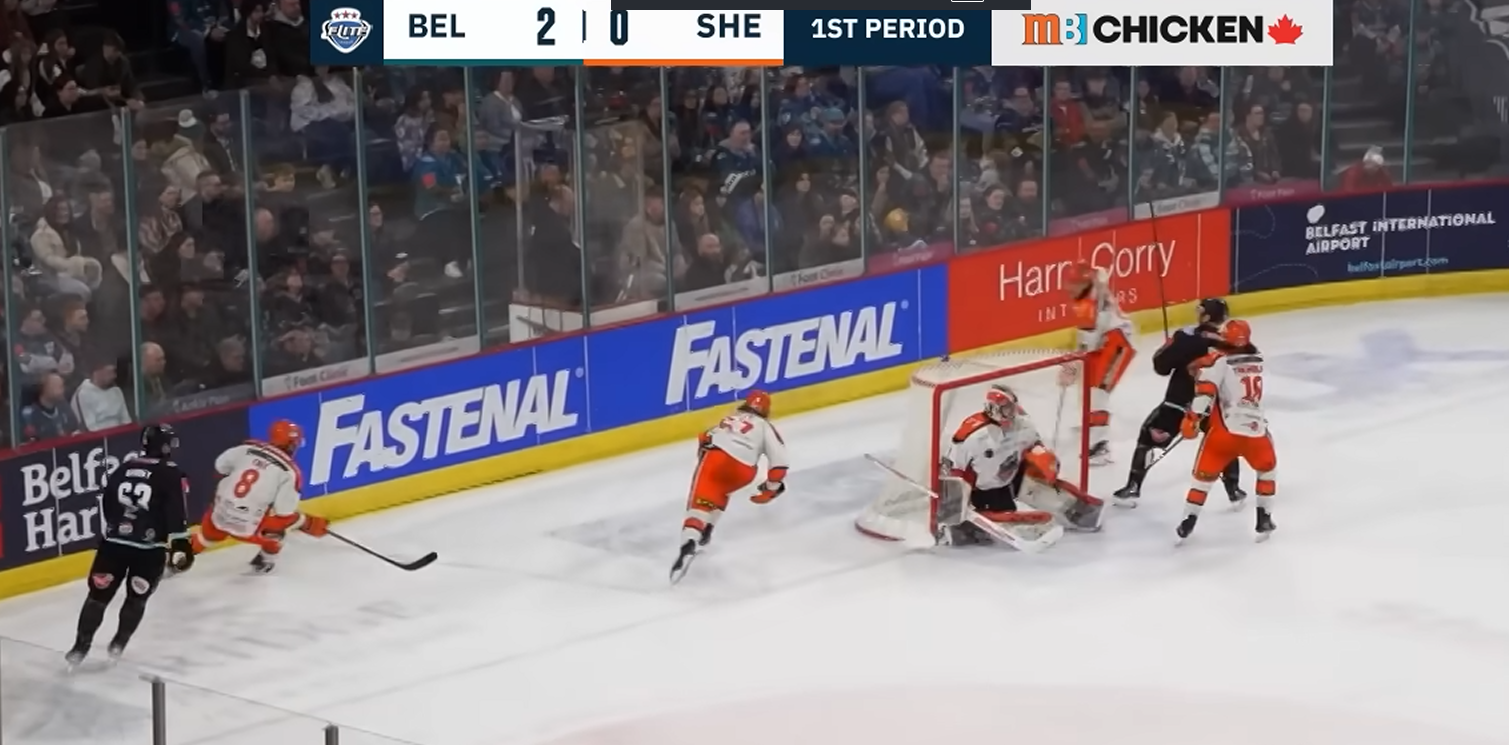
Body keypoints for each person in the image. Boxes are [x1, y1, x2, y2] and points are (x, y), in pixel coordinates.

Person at [66, 424, 193, 668]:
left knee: (97, 597)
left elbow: (107, 502)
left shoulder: (124, 467)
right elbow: (176, 511)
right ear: (164, 446)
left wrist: (118, 527)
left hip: (113, 545)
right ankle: (118, 645)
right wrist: (180, 543)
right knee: (137, 598)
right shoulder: (171, 472)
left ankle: (79, 647)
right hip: (149, 550)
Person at [1112, 298, 1245, 506]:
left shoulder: (1187, 336)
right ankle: (1234, 491)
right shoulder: (1230, 341)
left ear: (1206, 316)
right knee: (1223, 444)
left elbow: (1161, 366)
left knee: (1147, 436)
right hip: (1214, 406)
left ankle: (1133, 487)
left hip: (1180, 402)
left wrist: (1169, 348)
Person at [942, 384, 1103, 548]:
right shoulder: (973, 436)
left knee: (1044, 490)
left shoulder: (1023, 424)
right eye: (1006, 409)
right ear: (993, 409)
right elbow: (955, 471)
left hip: (1013, 478)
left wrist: (1044, 459)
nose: (1013, 412)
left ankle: (1079, 512)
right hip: (982, 491)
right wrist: (956, 506)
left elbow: (1034, 446)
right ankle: (962, 528)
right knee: (994, 521)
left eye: (1012, 407)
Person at [1175, 319, 1277, 544]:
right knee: (1267, 472)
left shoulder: (1218, 362)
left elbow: (1205, 392)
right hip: (1257, 433)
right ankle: (1264, 518)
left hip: (1225, 435)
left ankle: (1188, 520)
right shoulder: (1258, 358)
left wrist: (1192, 419)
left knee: (1201, 482)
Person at [671, 390, 788, 581]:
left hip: (716, 458)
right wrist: (770, 489)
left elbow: (704, 438)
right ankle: (708, 528)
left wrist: (705, 463)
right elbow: (780, 464)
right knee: (724, 489)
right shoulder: (766, 427)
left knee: (699, 504)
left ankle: (689, 544)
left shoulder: (730, 418)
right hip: (743, 471)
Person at [191, 419, 330, 573]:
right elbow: (284, 513)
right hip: (248, 530)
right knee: (278, 530)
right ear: (292, 445)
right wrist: (306, 522)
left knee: (207, 536)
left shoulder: (244, 449)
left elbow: (220, 467)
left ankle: (184, 554)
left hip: (217, 517)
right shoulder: (290, 472)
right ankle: (265, 560)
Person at [1059, 261, 1136, 464]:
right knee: (1087, 384)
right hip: (1105, 340)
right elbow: (1101, 272)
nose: (1069, 288)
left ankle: (1100, 446)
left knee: (1097, 392)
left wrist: (1071, 367)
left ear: (1084, 284)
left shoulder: (1089, 306)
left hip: (1117, 343)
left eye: (1074, 284)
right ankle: (1091, 423)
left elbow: (1087, 346)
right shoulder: (1093, 289)